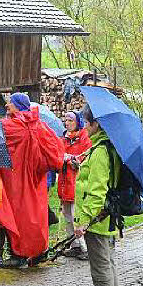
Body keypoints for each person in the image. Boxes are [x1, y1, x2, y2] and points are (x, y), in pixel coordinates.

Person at [0, 93, 64, 267]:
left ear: (18, 105)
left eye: (10, 103)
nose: (7, 105)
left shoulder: (9, 126)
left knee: (18, 216)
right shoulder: (40, 125)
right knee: (37, 215)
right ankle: (39, 252)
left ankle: (18, 254)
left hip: (15, 180)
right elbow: (56, 150)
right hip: (36, 179)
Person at [74, 104, 124, 286]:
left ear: (97, 124)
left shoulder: (101, 152)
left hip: (98, 219)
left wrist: (83, 220)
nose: (85, 127)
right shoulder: (104, 147)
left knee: (101, 267)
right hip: (107, 217)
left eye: (87, 122)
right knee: (109, 265)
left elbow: (96, 192)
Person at [58, 110, 92, 260]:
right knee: (67, 215)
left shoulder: (84, 137)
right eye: (66, 120)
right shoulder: (63, 139)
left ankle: (85, 247)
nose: (67, 123)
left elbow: (87, 156)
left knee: (76, 215)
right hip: (65, 182)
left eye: (70, 120)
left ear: (77, 122)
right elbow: (57, 155)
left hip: (77, 182)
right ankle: (74, 245)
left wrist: (75, 161)